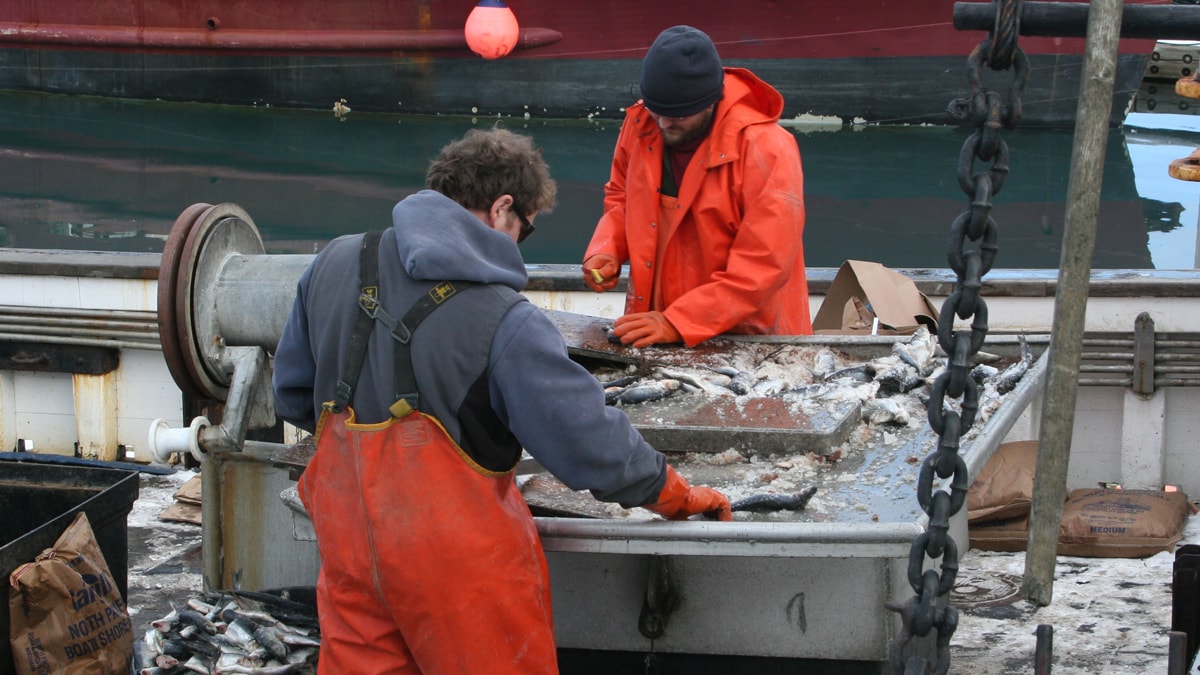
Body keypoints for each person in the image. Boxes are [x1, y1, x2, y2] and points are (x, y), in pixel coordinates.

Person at [272, 126, 732, 674]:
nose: (519, 244)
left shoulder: (332, 263)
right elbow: (589, 444)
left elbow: (294, 397)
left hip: (349, 558)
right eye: (526, 230)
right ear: (501, 209)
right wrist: (675, 494)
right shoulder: (505, 319)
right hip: (461, 579)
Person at [582, 25, 812, 348]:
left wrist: (679, 322)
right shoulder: (642, 121)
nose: (663, 123)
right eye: (656, 110)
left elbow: (763, 268)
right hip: (657, 328)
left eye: (676, 117)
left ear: (710, 102)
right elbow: (621, 199)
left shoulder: (769, 150)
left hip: (752, 343)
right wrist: (606, 249)